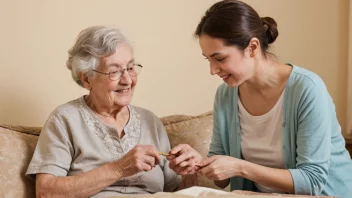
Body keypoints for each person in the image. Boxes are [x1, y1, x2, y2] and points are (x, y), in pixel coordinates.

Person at [166, 0, 352, 197]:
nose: (212, 70)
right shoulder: (225, 94)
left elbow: (312, 181)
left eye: (220, 58)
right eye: (208, 59)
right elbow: (222, 181)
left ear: (252, 47)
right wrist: (199, 162)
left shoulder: (307, 89)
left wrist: (240, 167)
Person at [26, 26, 196, 198]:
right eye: (114, 71)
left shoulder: (150, 121)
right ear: (86, 79)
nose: (128, 80)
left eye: (130, 68)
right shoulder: (65, 119)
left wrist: (189, 172)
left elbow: (174, 191)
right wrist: (119, 168)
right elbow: (46, 192)